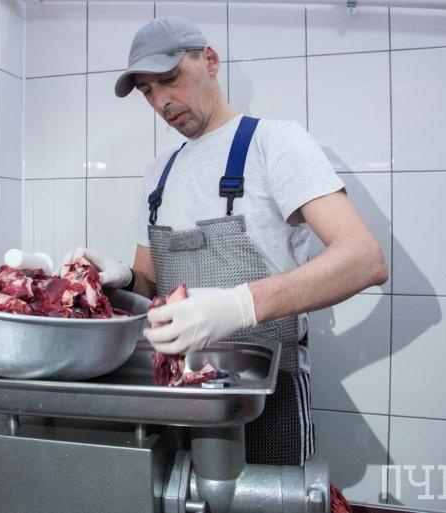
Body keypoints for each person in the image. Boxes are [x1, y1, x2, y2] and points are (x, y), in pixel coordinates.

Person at [60, 16, 387, 508]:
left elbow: (363, 258)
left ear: (209, 61)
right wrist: (121, 278)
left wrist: (239, 305)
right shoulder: (160, 173)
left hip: (264, 396)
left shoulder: (274, 142)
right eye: (148, 91)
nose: (161, 102)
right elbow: (150, 284)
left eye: (169, 79)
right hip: (175, 394)